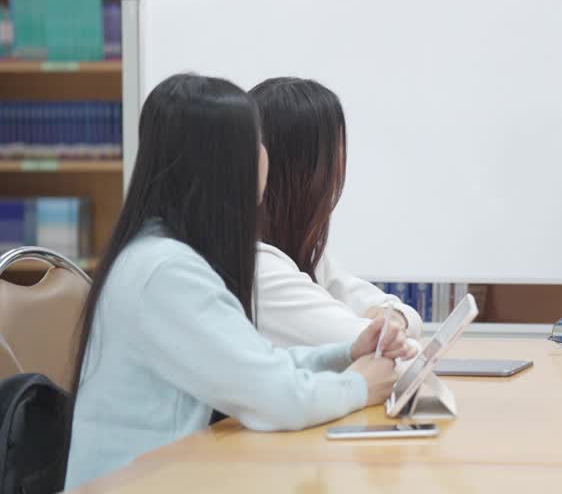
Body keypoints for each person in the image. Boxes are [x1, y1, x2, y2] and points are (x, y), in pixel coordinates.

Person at [65, 74, 408, 489]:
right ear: (225, 159)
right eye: (256, 140)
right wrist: (358, 386)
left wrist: (347, 352)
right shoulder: (167, 272)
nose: (266, 154)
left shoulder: (162, 254)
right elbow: (274, 397)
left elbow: (255, 364)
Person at [249, 77, 424, 348]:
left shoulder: (302, 252)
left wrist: (395, 319)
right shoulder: (258, 266)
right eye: (337, 151)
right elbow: (372, 345)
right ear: (306, 167)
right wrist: (389, 328)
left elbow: (397, 314)